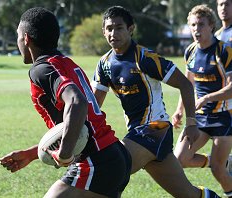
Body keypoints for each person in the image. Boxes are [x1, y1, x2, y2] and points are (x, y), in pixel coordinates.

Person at [0, 7, 131, 198]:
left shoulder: (41, 69)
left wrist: (64, 155)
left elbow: (77, 103)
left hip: (96, 161)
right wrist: (32, 153)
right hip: (114, 154)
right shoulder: (65, 63)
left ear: (26, 39)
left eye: (18, 36)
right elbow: (80, 126)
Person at [91, 5, 219, 198]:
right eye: (109, 28)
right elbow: (94, 106)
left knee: (113, 172)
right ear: (103, 32)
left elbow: (185, 84)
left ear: (130, 29)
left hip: (155, 129)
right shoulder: (104, 64)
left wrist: (191, 123)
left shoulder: (145, 58)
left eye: (119, 27)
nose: (113, 33)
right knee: (188, 194)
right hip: (138, 134)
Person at [172, 4, 232, 197]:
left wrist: (207, 98)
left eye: (200, 25)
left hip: (224, 118)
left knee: (217, 169)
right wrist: (179, 110)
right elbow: (188, 85)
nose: (196, 29)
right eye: (192, 25)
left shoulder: (224, 51)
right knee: (178, 159)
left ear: (211, 26)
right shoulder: (190, 51)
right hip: (200, 118)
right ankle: (226, 161)